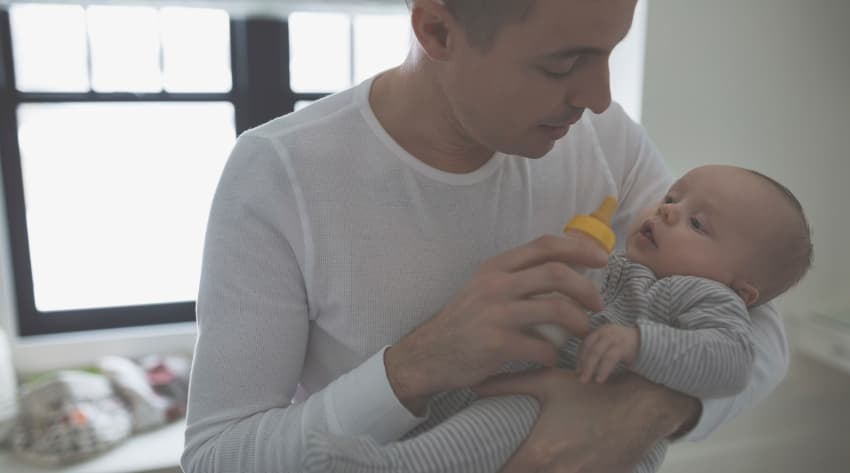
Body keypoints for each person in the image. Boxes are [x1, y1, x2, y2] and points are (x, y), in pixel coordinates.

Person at [181, 1, 791, 472]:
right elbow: (216, 456)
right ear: (438, 30)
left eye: (609, 52)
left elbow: (754, 316)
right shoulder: (281, 173)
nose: (599, 97)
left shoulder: (604, 140)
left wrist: (643, 412)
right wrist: (414, 366)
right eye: (562, 64)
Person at [298, 164, 813, 473]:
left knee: (511, 413)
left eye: (698, 223)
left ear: (740, 289)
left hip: (572, 414)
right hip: (541, 382)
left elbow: (732, 361)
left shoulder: (702, 297)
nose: (670, 211)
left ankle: (391, 468)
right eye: (672, 197)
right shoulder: (626, 265)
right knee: (469, 391)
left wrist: (640, 346)